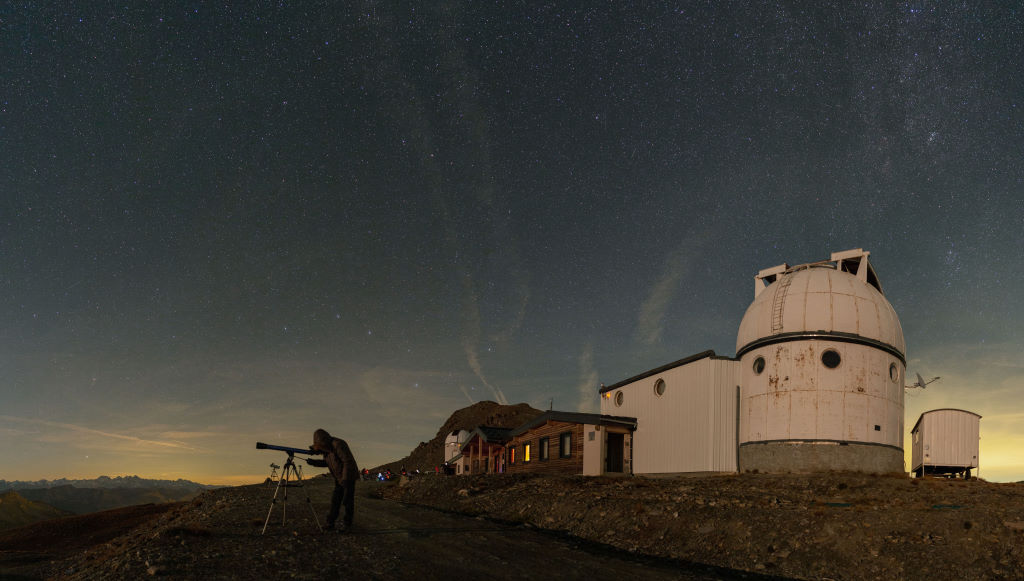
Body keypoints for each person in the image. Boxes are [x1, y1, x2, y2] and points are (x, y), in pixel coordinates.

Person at [305, 428, 357, 532]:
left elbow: (347, 461)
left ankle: (347, 525)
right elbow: (327, 463)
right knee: (335, 501)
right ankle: (330, 523)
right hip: (339, 478)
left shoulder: (338, 444)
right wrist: (314, 462)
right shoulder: (327, 449)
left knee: (347, 501)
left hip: (348, 476)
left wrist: (345, 479)